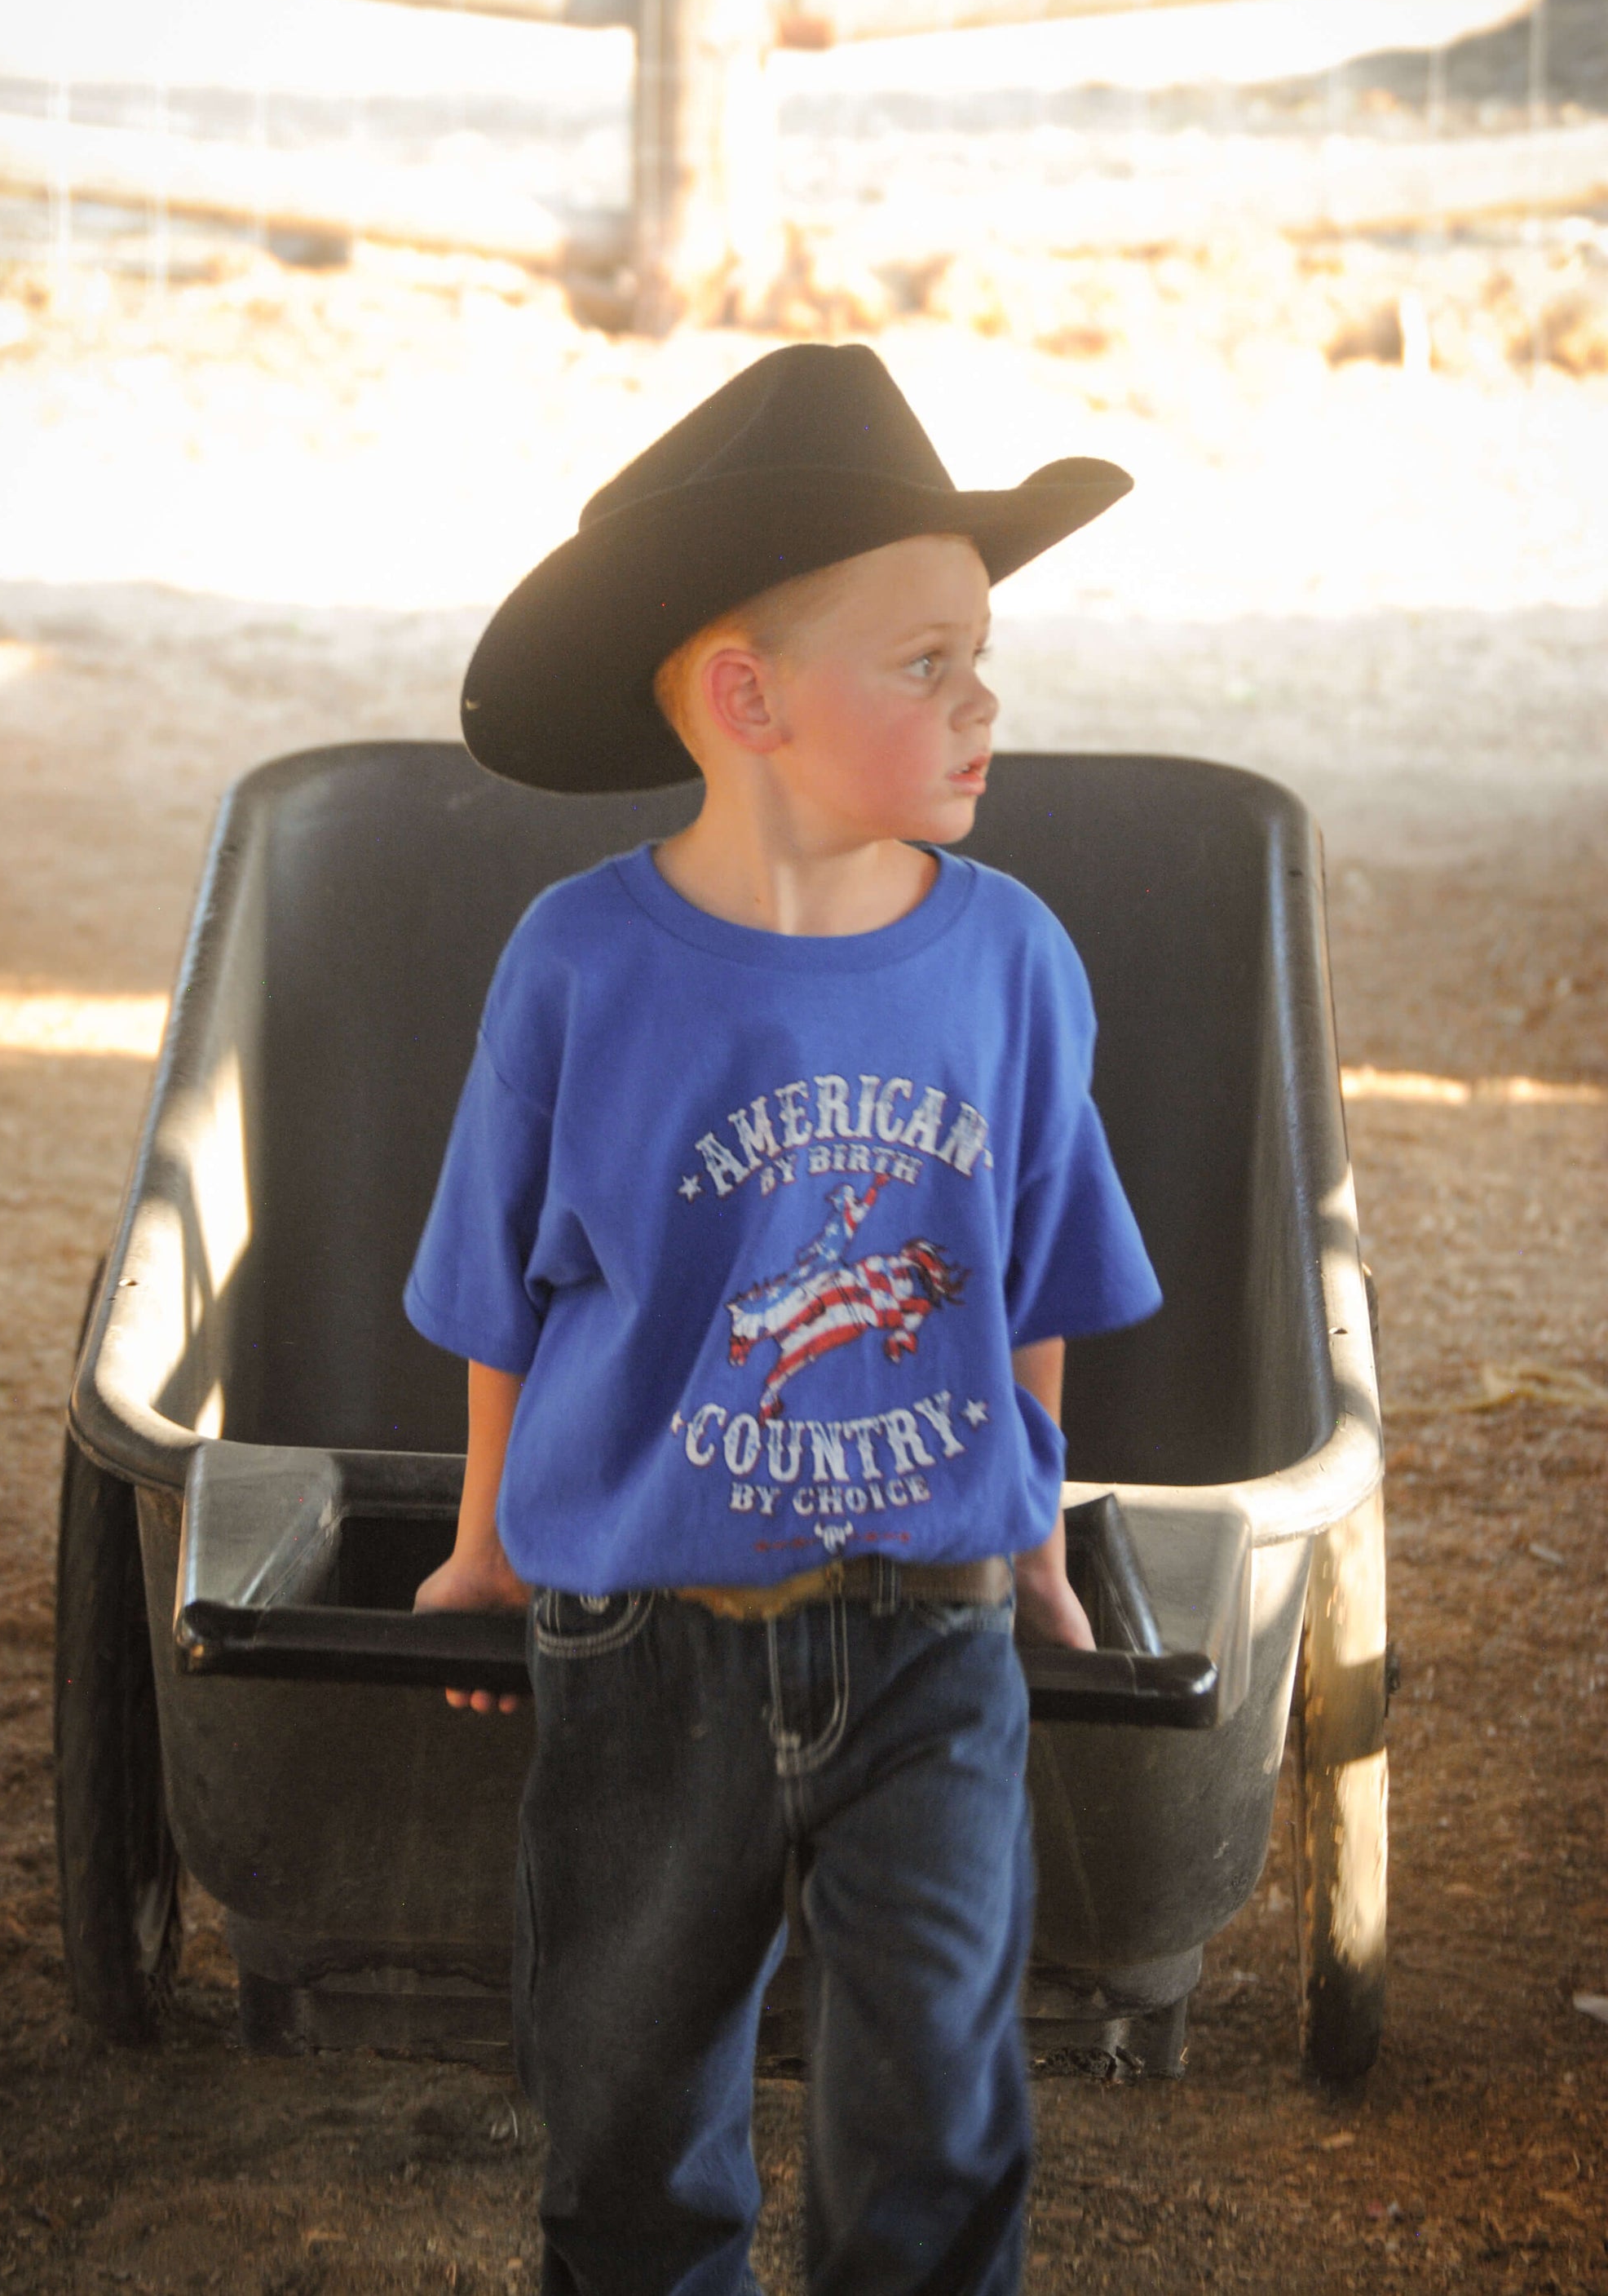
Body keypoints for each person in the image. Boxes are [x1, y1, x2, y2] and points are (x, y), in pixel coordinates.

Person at [404, 343, 1162, 2296]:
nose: (982, 699)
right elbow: (505, 1284)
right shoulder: (582, 963)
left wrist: (1032, 1545)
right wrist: (487, 1549)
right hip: (645, 1644)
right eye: (925, 661)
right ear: (747, 699)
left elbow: (1032, 1271)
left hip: (931, 1635)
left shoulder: (1011, 961)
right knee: (629, 2106)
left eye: (981, 653)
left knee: (937, 2115)